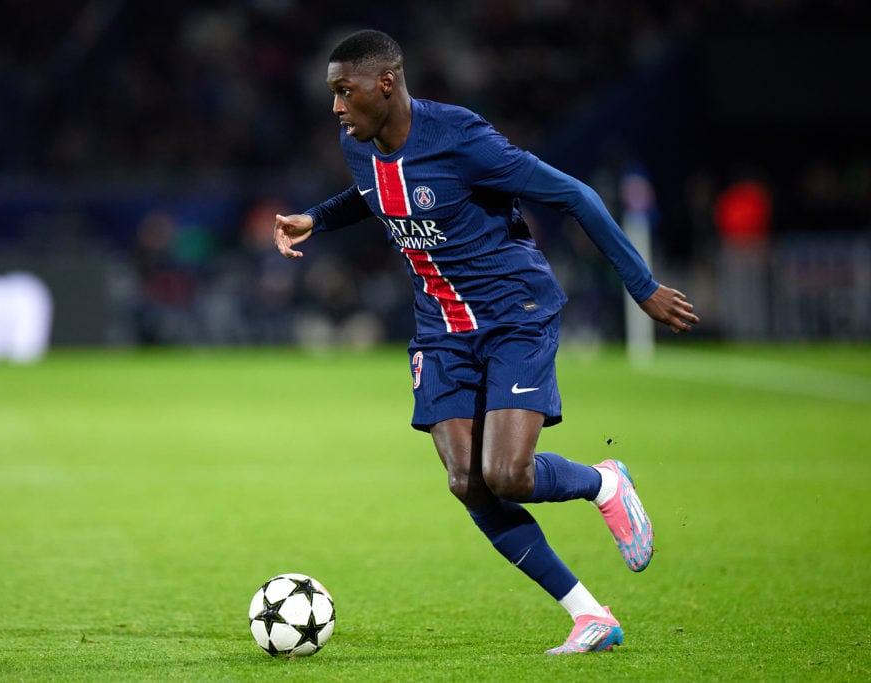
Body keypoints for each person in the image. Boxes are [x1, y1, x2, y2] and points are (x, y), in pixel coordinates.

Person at [273, 29, 699, 654]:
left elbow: (575, 195)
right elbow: (377, 195)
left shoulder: (462, 138)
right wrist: (319, 216)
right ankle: (589, 616)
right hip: (440, 330)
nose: (336, 107)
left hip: (512, 314)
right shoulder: (356, 145)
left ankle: (603, 483)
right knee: (467, 482)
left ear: (385, 85)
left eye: (345, 91)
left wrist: (642, 285)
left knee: (507, 473)